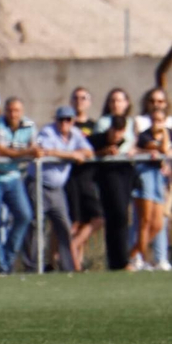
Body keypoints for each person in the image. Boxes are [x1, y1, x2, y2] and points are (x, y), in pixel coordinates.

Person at [34, 105, 93, 272]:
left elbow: (89, 151)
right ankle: (33, 266)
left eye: (68, 119)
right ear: (56, 120)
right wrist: (72, 155)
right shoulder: (48, 131)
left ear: (73, 121)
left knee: (65, 227)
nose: (64, 123)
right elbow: (46, 151)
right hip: (39, 185)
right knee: (35, 226)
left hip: (57, 189)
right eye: (61, 119)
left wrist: (77, 152)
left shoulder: (75, 134)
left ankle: (69, 268)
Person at [0, 97, 37, 274]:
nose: (13, 114)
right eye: (10, 110)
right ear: (5, 111)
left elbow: (35, 148)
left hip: (14, 177)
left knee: (24, 216)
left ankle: (7, 258)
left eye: (16, 111)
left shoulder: (29, 125)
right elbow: (1, 149)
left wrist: (29, 151)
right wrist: (26, 152)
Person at [93, 88, 139, 270]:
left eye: (120, 100)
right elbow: (99, 142)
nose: (116, 104)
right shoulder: (104, 122)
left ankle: (117, 260)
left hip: (126, 170)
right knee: (117, 214)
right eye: (113, 100)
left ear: (127, 103)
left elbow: (136, 142)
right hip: (110, 170)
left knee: (121, 215)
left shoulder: (131, 122)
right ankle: (121, 259)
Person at [130, 96, 170, 271]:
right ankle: (141, 259)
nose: (157, 123)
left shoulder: (168, 131)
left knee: (158, 223)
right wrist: (165, 136)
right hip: (146, 175)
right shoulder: (146, 134)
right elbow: (162, 149)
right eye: (154, 120)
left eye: (160, 120)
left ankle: (133, 254)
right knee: (145, 220)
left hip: (160, 178)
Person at [65, 87, 103, 268]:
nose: (79, 101)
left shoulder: (95, 126)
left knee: (95, 219)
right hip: (71, 177)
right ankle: (74, 263)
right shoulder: (67, 124)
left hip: (89, 177)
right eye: (76, 98)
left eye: (83, 98)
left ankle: (73, 252)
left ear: (89, 102)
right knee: (75, 222)